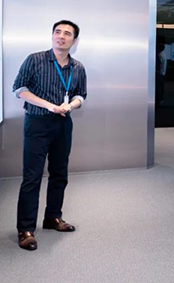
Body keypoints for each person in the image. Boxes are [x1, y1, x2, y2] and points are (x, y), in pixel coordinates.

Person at [13, 20, 87, 251]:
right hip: (37, 123)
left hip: (63, 124)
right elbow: (19, 89)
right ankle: (26, 229)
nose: (61, 36)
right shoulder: (35, 59)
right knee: (32, 176)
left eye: (67, 34)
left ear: (74, 41)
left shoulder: (77, 67)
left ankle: (53, 217)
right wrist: (49, 105)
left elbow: (81, 95)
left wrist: (70, 105)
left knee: (59, 173)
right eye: (57, 32)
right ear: (52, 35)